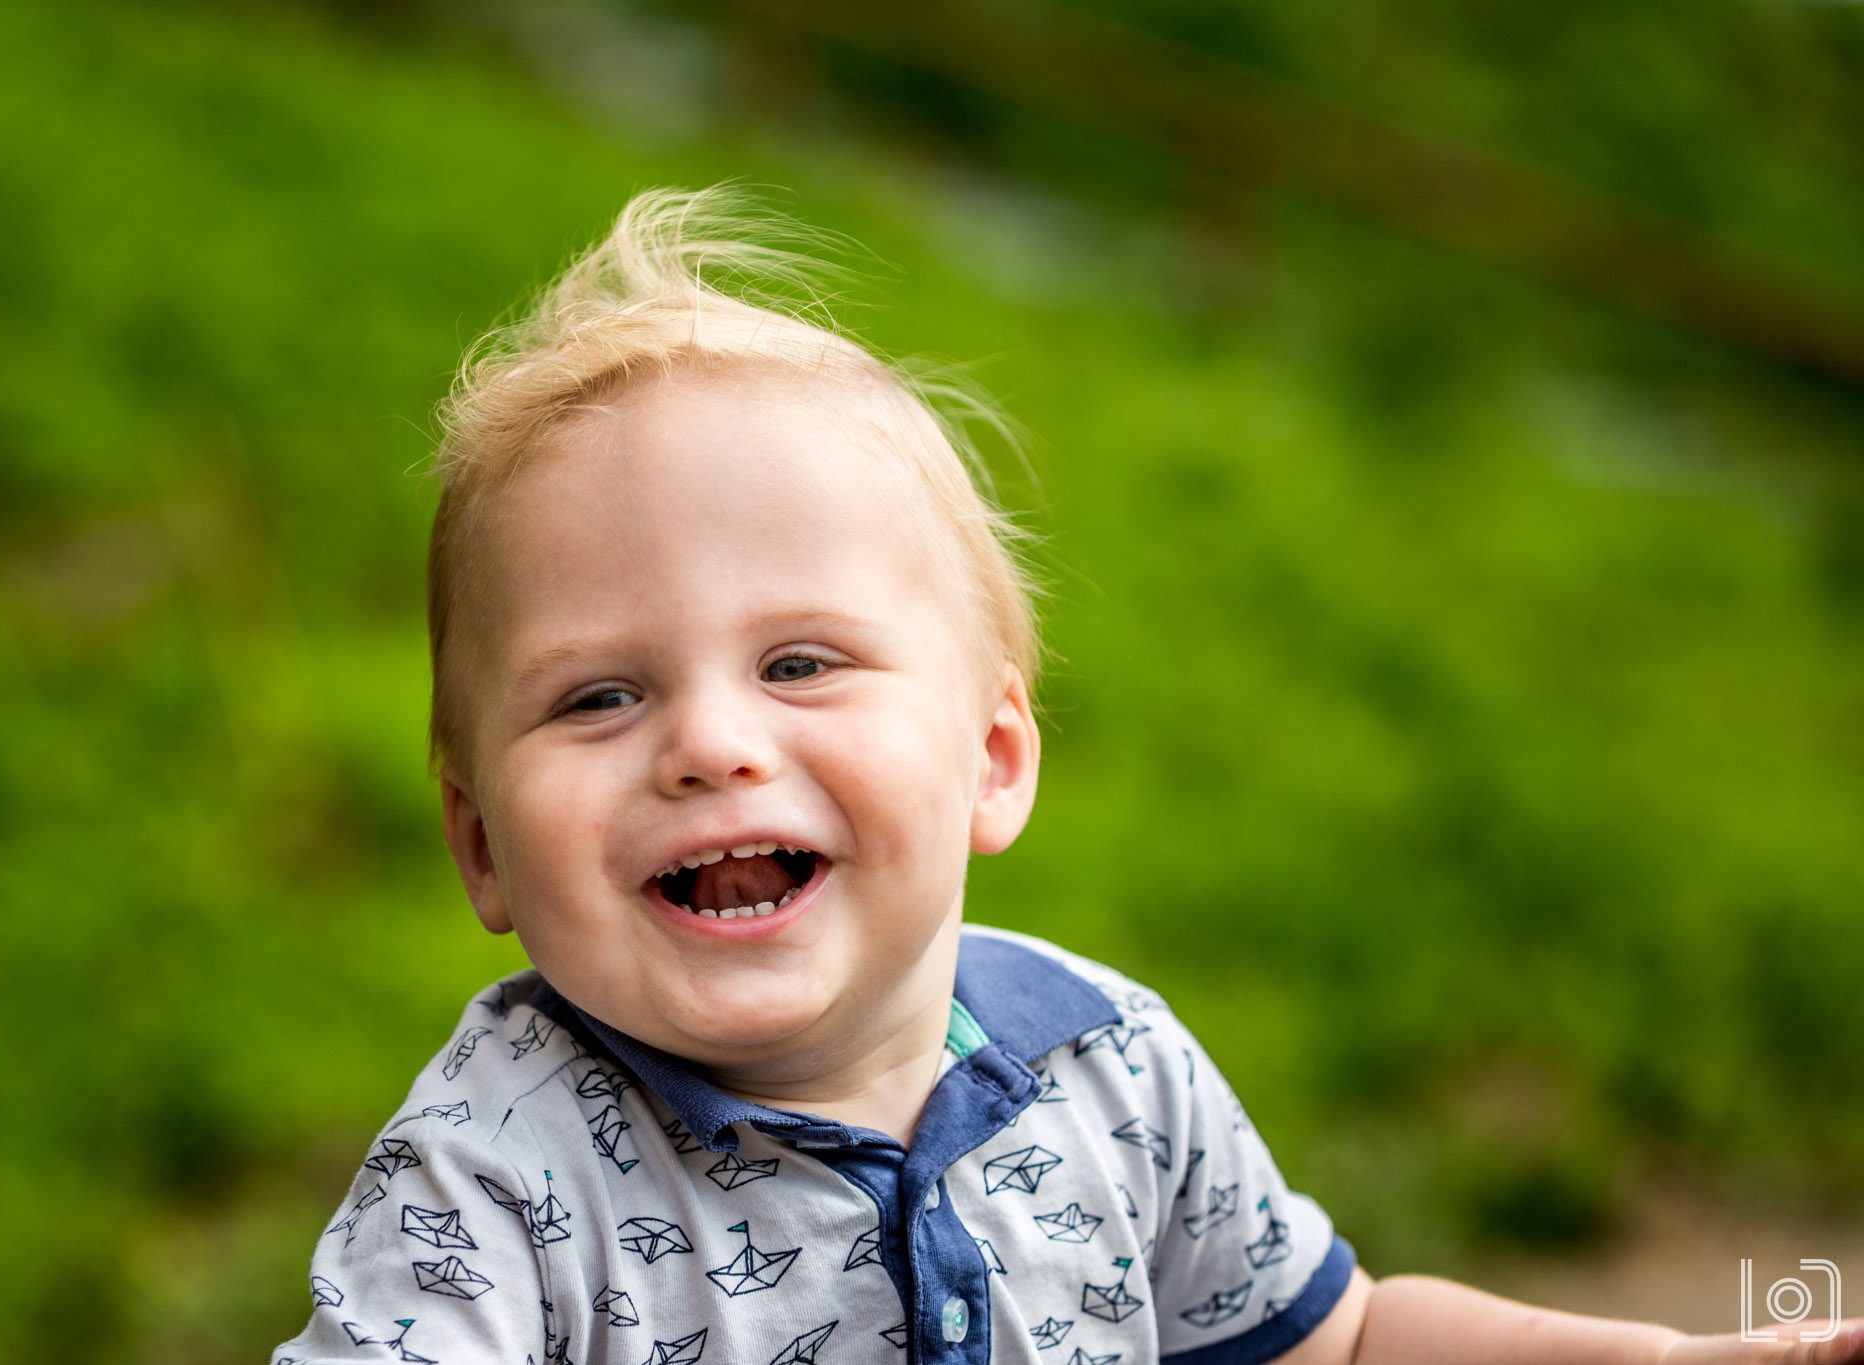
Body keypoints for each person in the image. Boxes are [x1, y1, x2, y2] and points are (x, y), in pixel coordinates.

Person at [270, 187, 1859, 1365]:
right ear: (479, 845)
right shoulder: (496, 1180)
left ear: (993, 758)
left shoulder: (1109, 1071)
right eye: (601, 694)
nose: (711, 742)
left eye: (802, 663)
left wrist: (1670, 1358)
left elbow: (1347, 1340)